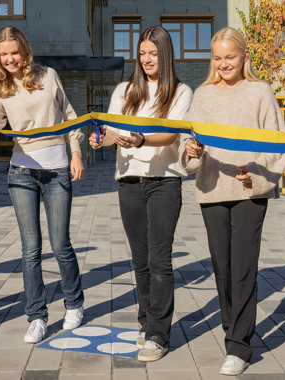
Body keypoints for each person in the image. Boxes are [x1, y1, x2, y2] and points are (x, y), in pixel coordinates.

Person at [182, 27, 285, 376]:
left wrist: (256, 178)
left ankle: (239, 345)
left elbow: (279, 143)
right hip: (212, 191)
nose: (224, 64)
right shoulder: (202, 95)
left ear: (244, 56)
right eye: (217, 58)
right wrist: (192, 151)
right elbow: (190, 148)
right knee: (223, 269)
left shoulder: (260, 92)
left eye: (230, 57)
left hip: (247, 192)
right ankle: (232, 331)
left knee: (242, 268)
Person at [88, 26, 193, 362]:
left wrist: (142, 139)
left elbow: (171, 134)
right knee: (140, 259)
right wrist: (100, 139)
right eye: (143, 53)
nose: (148, 59)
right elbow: (113, 132)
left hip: (164, 180)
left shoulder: (180, 92)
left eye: (154, 53)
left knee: (159, 259)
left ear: (166, 55)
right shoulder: (125, 90)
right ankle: (146, 322)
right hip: (129, 180)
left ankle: (158, 336)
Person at [0, 26, 86, 344]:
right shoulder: (0, 87)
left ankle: (74, 305)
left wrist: (76, 153)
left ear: (24, 50)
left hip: (56, 169)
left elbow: (69, 116)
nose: (9, 59)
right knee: (30, 250)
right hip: (21, 171)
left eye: (14, 52)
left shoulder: (48, 75)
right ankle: (36, 317)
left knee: (61, 244)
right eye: (3, 54)